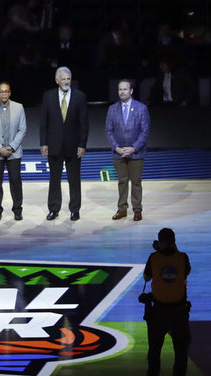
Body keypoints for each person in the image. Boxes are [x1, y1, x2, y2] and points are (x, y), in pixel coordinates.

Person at [39, 66, 89, 221]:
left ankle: (75, 209)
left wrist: (82, 144)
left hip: (74, 146)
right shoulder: (48, 96)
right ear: (57, 80)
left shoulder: (80, 96)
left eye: (68, 79)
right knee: (54, 179)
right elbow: (43, 122)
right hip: (54, 145)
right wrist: (43, 143)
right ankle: (54, 209)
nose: (66, 81)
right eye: (63, 79)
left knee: (74, 179)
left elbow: (84, 123)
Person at [143, 228, 191, 376]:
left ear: (160, 241)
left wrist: (158, 252)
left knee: (154, 353)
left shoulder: (153, 258)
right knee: (181, 354)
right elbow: (186, 272)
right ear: (174, 241)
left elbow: (146, 278)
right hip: (179, 313)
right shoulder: (182, 257)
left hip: (159, 313)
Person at [105, 79, 150, 221]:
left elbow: (145, 131)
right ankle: (122, 209)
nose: (122, 92)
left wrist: (133, 148)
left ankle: (137, 209)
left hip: (136, 152)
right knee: (122, 181)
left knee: (136, 182)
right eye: (120, 89)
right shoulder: (112, 109)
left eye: (125, 89)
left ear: (131, 91)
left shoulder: (141, 108)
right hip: (118, 153)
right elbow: (109, 131)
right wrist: (117, 148)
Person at [0, 82, 27, 221]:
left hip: (14, 151)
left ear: (10, 93)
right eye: (1, 92)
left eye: (6, 91)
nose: (4, 94)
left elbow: (22, 129)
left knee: (15, 180)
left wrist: (12, 147)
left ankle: (17, 209)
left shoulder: (19, 107)